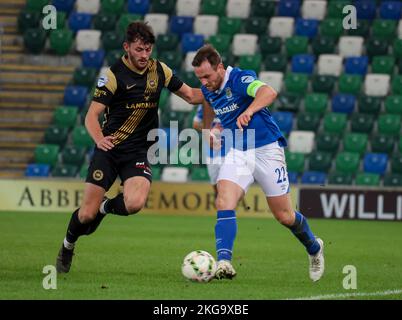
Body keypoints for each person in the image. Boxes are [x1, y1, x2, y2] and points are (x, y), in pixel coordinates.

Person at [56, 21, 203, 273]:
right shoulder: (112, 76)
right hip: (109, 150)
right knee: (85, 216)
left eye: (148, 50)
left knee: (134, 203)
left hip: (138, 151)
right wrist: (99, 139)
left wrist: (221, 90)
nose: (144, 55)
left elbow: (190, 95)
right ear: (127, 47)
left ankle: (106, 206)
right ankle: (68, 245)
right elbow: (91, 116)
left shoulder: (161, 71)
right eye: (139, 50)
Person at [191, 45, 324, 281]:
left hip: (266, 149)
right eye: (199, 77)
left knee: (285, 216)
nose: (204, 82)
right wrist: (206, 132)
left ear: (220, 68)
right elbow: (207, 104)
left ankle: (314, 248)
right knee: (224, 200)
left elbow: (269, 92)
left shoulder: (240, 79)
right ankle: (223, 262)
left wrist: (249, 110)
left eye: (207, 76)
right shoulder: (208, 87)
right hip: (238, 152)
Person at [192, 104, 223, 194]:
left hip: (230, 150)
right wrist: (211, 130)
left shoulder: (232, 101)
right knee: (215, 184)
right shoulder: (206, 104)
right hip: (211, 151)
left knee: (229, 183)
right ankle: (222, 205)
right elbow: (195, 124)